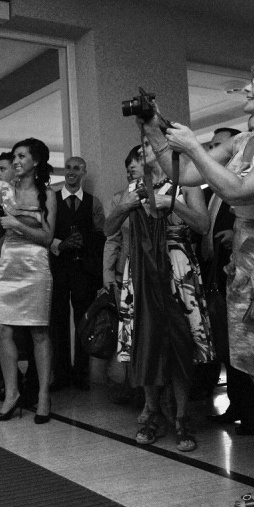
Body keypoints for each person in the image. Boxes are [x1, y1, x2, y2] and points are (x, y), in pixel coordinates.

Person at [142, 50, 254, 507]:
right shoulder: (244, 141)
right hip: (244, 274)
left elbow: (239, 190)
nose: (247, 86)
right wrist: (155, 129)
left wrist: (194, 146)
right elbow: (181, 174)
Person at [105, 141, 213, 452]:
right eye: (140, 149)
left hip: (177, 266)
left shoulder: (186, 182)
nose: (142, 152)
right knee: (147, 340)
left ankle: (181, 416)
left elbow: (203, 225)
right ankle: (152, 412)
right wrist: (124, 206)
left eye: (148, 147)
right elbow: (109, 229)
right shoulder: (134, 187)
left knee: (179, 341)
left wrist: (172, 203)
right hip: (141, 269)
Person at [0, 138, 56, 424]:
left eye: (22, 156)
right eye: (14, 156)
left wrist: (17, 223)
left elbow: (48, 238)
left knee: (38, 331)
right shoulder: (5, 191)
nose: (15, 161)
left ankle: (43, 396)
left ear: (35, 161)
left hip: (35, 264)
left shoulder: (47, 194)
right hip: (10, 263)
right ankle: (12, 393)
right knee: (1, 328)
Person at [201, 128, 254, 436]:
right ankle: (235, 405)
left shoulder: (246, 185)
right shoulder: (210, 191)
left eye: (219, 145)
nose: (214, 150)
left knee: (244, 344)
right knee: (226, 345)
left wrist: (234, 234)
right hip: (214, 273)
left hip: (244, 274)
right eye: (211, 145)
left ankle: (251, 415)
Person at [48, 156, 106, 390]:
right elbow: (43, 233)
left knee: (84, 322)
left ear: (84, 172)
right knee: (58, 322)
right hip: (58, 269)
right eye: (68, 168)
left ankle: (81, 375)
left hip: (84, 271)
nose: (71, 172)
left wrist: (86, 242)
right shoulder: (52, 201)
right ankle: (61, 375)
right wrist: (61, 244)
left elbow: (102, 236)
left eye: (76, 168)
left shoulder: (93, 203)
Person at [0, 152, 34, 402]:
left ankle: (28, 387)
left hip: (20, 273)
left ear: (15, 170)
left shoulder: (22, 199)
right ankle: (9, 384)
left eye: (2, 168)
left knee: (28, 334)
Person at [102, 148, 145, 404]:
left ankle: (151, 391)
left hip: (152, 275)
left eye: (136, 162)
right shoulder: (119, 199)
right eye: (127, 165)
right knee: (127, 333)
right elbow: (112, 239)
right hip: (123, 275)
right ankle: (130, 386)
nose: (130, 168)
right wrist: (108, 276)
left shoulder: (160, 195)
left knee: (147, 334)